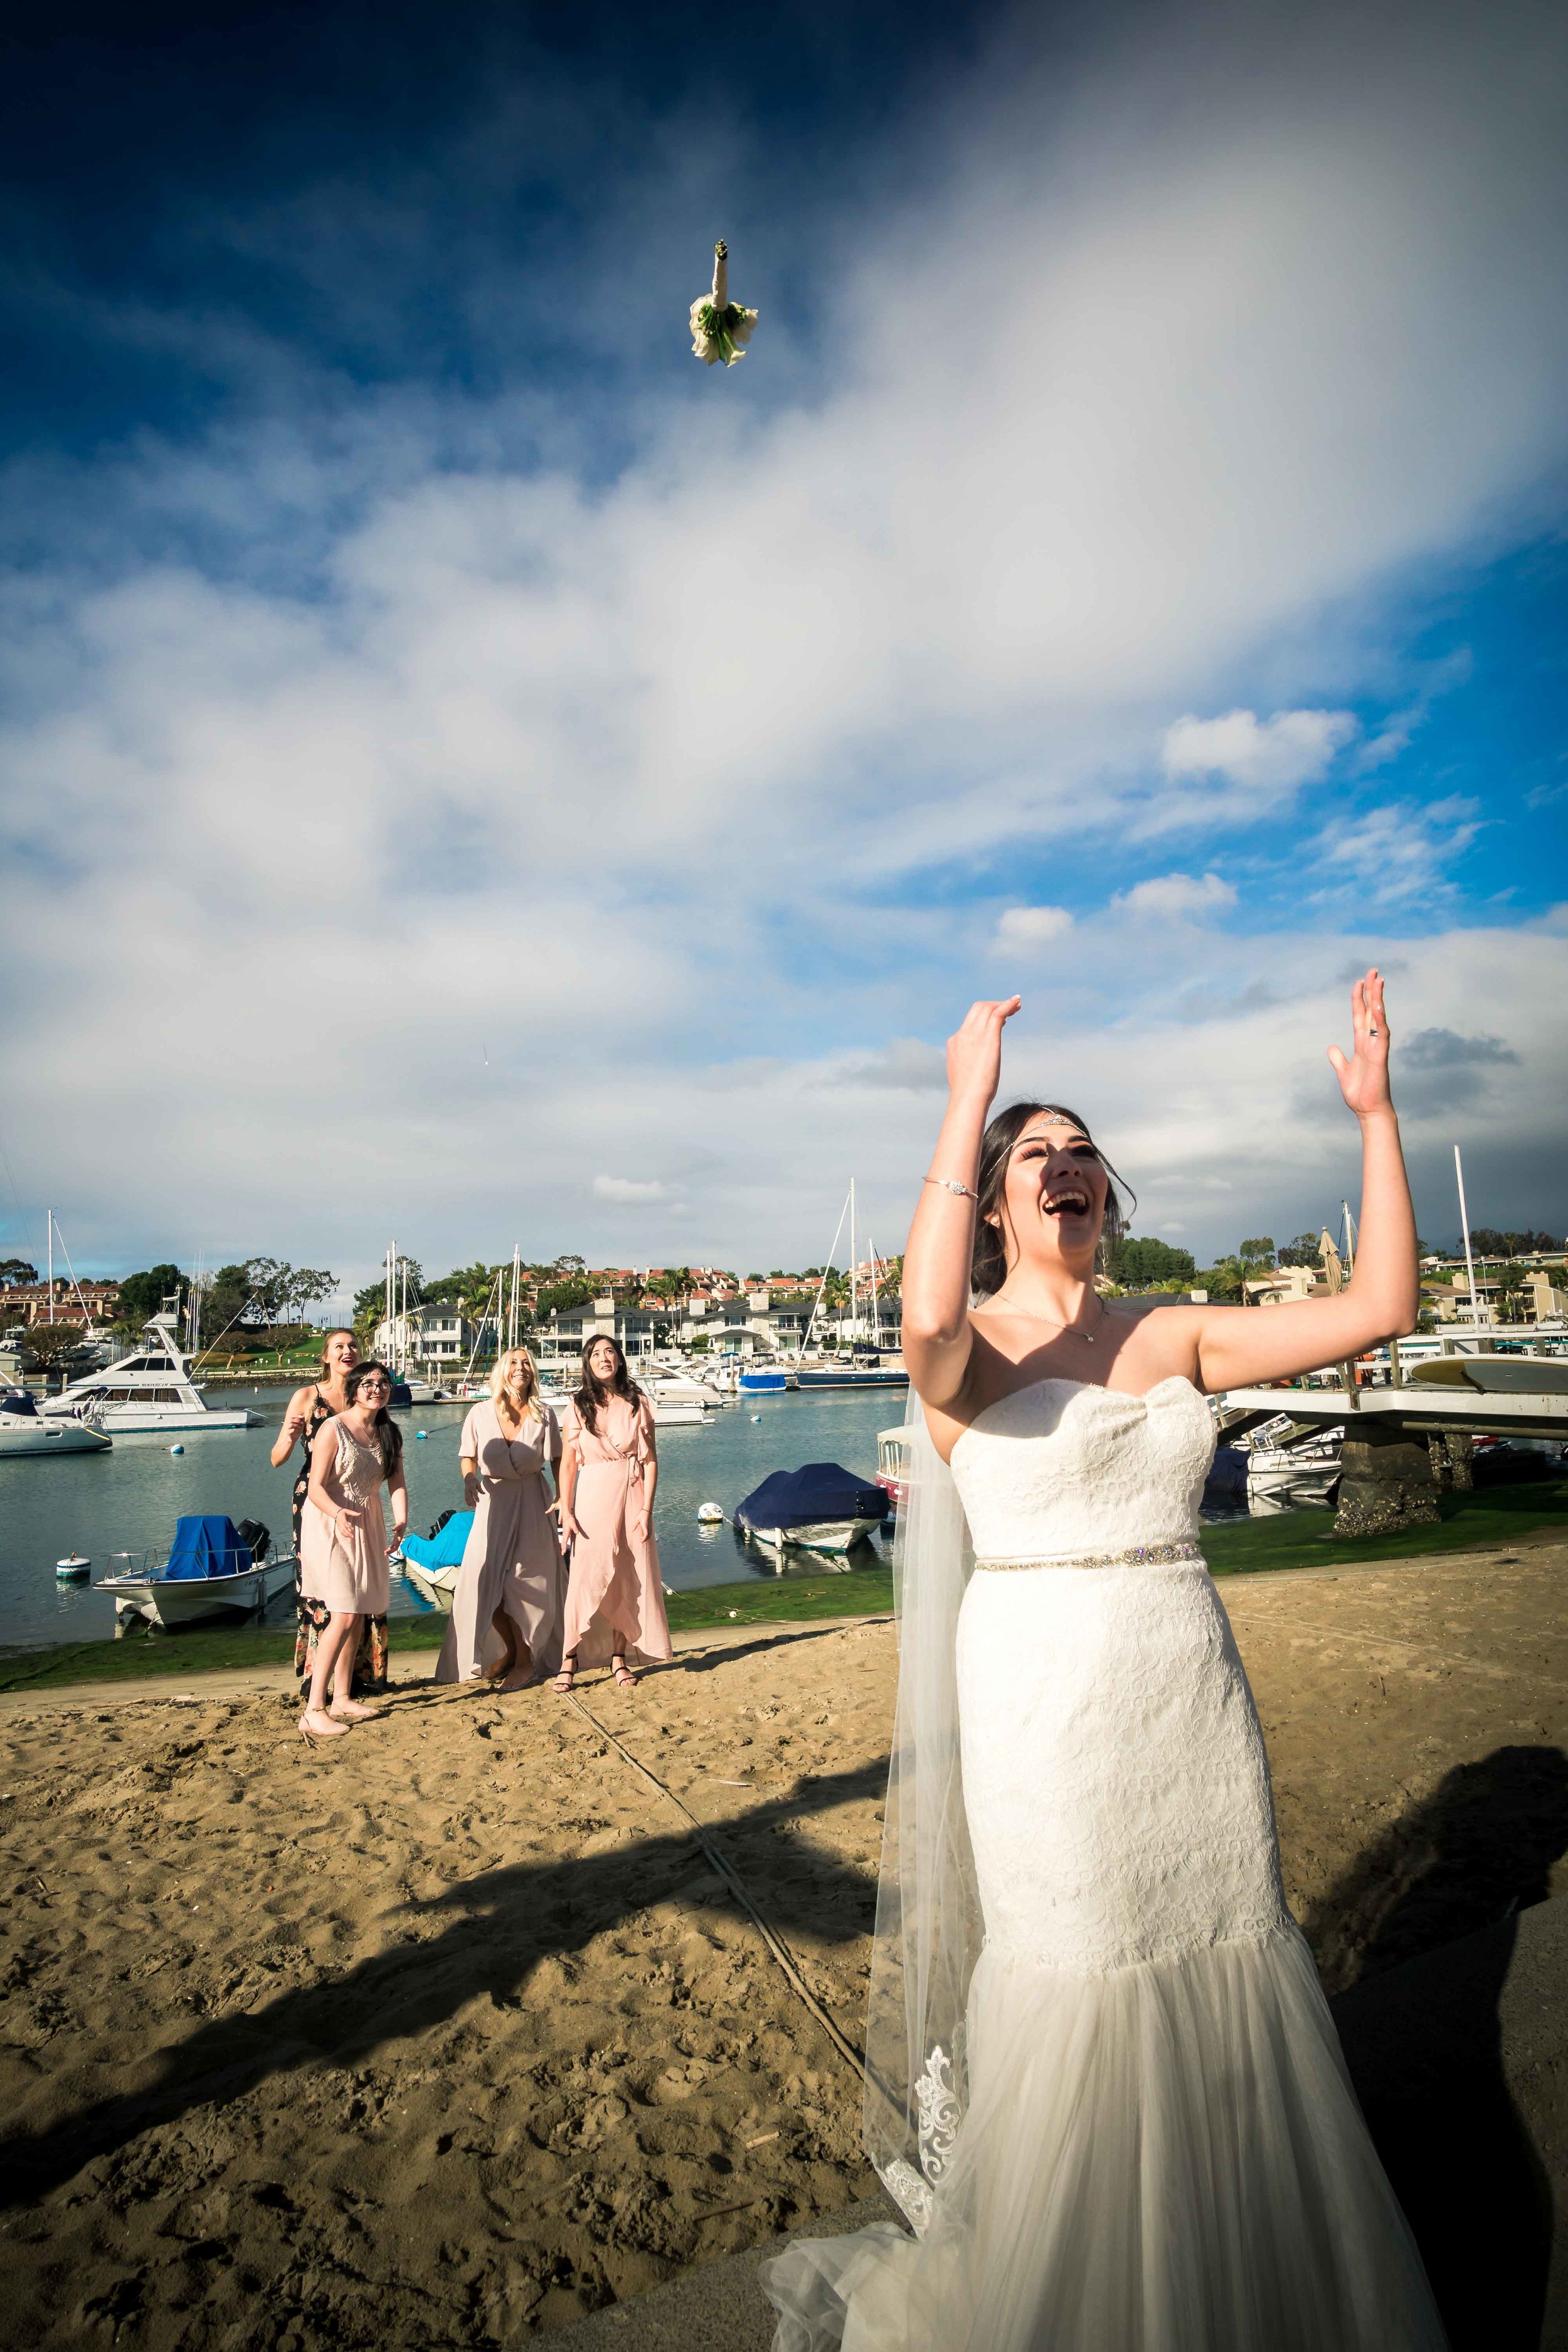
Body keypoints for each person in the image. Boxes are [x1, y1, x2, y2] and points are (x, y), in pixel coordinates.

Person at [763, 973, 1447, 2350]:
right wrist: (964, 1105)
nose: (1064, 1165)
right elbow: (917, 1321)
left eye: (1080, 1151)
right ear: (998, 1203)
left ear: (1105, 1197)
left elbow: (1383, 1303)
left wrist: (1374, 1115)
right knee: (1079, 1970)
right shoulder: (963, 1352)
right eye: (1036, 1155)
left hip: (1185, 1690)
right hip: (1044, 1709)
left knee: (1219, 1951)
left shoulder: (1171, 1330)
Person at [435, 1345, 566, 1691]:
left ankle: (526, 1661)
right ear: (501, 1371)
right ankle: (510, 1651)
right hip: (492, 1504)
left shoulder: (545, 1414)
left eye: (526, 1363)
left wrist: (565, 1496)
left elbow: (558, 1459)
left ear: (533, 1372)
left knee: (524, 1584)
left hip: (533, 1503)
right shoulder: (479, 1413)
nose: (521, 1368)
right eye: (513, 1363)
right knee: (486, 1584)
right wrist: (468, 1479)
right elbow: (468, 1456)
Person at [272, 1328, 389, 1701]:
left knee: (360, 1589)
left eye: (353, 1346)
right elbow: (277, 1459)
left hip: (360, 1501)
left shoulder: (370, 1393)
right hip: (316, 1498)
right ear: (325, 1356)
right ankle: (315, 1682)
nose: (347, 1351)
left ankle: (352, 1681)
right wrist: (290, 1436)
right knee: (325, 1589)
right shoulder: (308, 1397)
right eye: (339, 1347)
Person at [297, 1361, 408, 1740]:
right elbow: (315, 1487)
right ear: (355, 1389)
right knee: (342, 1614)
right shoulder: (333, 1428)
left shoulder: (389, 1433)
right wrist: (338, 1511)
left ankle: (343, 1697)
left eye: (383, 1383)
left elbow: (397, 1482)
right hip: (331, 1523)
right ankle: (314, 1709)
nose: (377, 1388)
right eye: (368, 1383)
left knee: (359, 1612)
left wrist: (402, 1520)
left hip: (368, 1523)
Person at [556, 1336, 674, 1693]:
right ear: (587, 1362)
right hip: (592, 1494)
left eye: (610, 1352)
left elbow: (650, 1460)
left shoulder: (639, 1402)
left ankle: (618, 1658)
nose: (604, 1358)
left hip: (632, 1493)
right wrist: (567, 1507)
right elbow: (568, 1464)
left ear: (620, 1360)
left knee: (629, 1576)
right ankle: (569, 1658)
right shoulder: (578, 1405)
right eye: (595, 1353)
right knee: (583, 1577)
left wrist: (647, 1510)